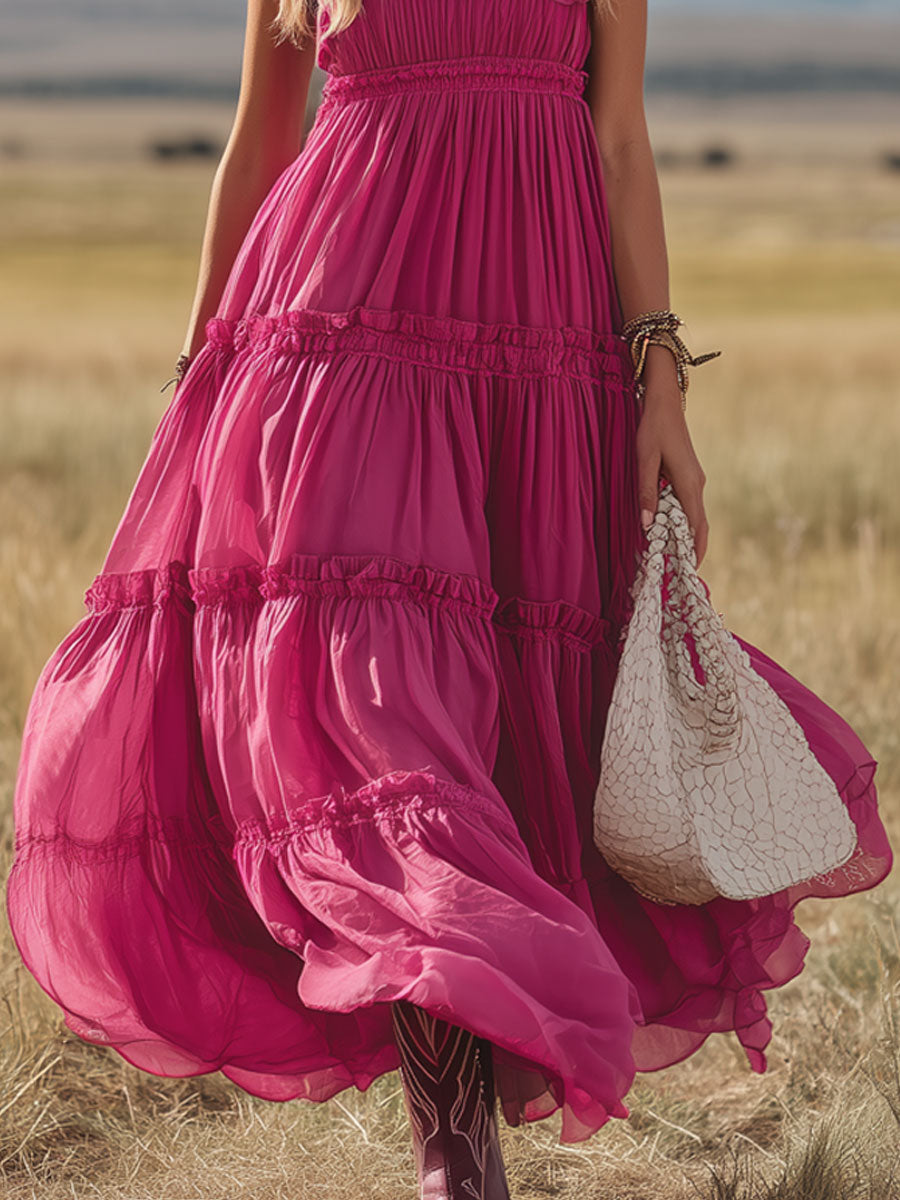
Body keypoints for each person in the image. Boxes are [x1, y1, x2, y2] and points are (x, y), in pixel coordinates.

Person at [6, 1, 893, 1197]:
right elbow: (262, 142)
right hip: (338, 343)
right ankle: (457, 1158)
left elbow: (618, 138)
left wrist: (661, 379)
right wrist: (198, 373)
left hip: (539, 356)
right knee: (379, 731)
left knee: (510, 754)